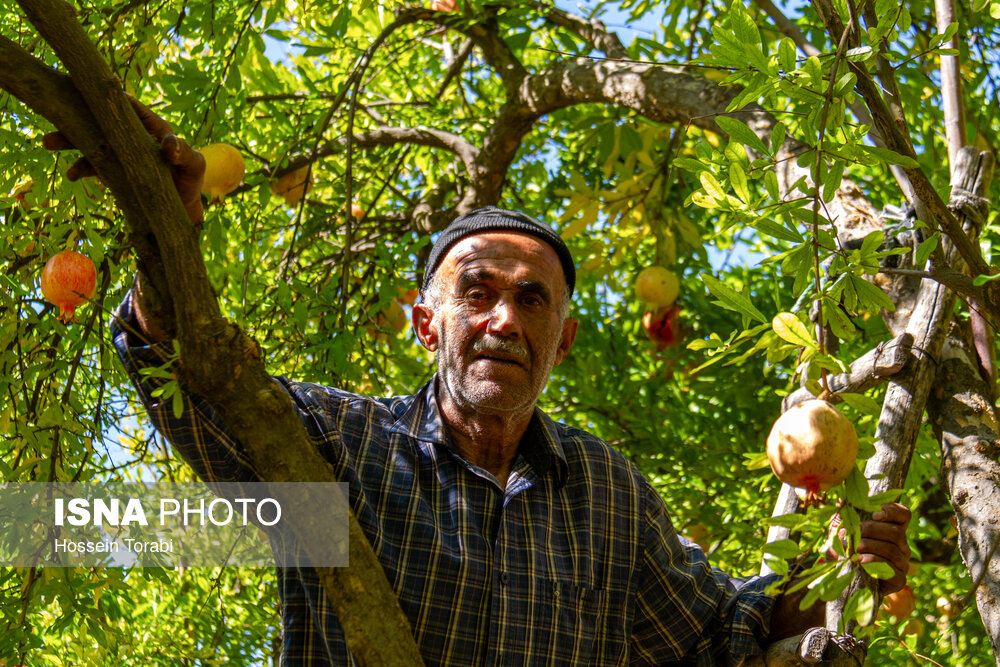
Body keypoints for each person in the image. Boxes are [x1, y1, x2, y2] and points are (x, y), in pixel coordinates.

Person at [49, 101, 911, 665]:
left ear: (562, 340)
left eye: (531, 300)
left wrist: (832, 563)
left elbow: (717, 637)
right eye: (478, 293)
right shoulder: (337, 447)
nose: (504, 318)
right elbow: (185, 377)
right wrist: (166, 225)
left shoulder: (608, 496)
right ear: (428, 325)